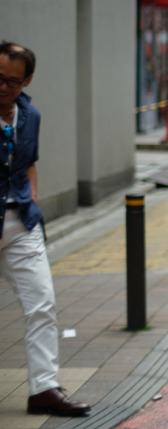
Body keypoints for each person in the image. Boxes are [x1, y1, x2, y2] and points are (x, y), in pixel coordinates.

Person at [0, 42, 92, 417]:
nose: (3, 87)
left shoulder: (30, 115)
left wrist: (32, 198)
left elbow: (28, 163)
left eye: (12, 81)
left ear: (27, 81)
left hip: (21, 223)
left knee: (42, 304)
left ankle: (43, 390)